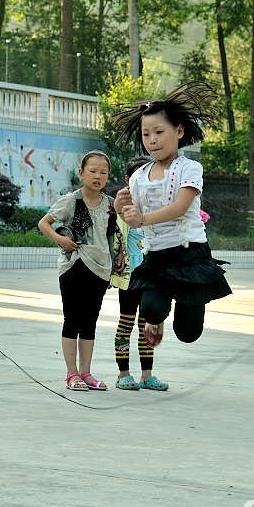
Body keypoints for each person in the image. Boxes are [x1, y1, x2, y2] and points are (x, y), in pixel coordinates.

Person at [111, 81, 232, 348]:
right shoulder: (139, 176)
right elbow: (133, 213)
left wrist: (142, 219)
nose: (152, 140)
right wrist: (121, 206)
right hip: (157, 256)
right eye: (145, 134)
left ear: (178, 131)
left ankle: (190, 306)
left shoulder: (190, 168)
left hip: (190, 254)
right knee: (152, 308)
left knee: (188, 333)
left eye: (158, 132)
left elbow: (180, 207)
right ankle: (155, 318)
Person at [38, 151, 119, 391]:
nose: (98, 176)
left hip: (100, 267)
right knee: (72, 319)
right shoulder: (70, 201)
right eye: (92, 171)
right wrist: (59, 239)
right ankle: (71, 374)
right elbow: (44, 223)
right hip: (73, 265)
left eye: (103, 173)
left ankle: (86, 373)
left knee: (90, 321)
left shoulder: (110, 205)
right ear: (81, 173)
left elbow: (113, 237)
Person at [110, 156, 168, 391]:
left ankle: (147, 376)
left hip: (152, 277)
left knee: (149, 326)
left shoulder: (159, 207)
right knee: (126, 323)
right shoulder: (119, 208)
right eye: (138, 177)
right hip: (129, 277)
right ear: (127, 180)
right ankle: (124, 374)